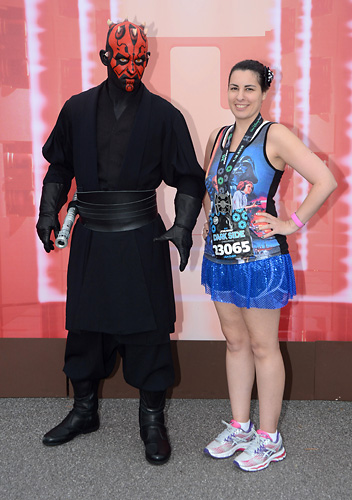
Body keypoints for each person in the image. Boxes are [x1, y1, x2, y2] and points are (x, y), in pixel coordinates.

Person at [36, 19, 205, 465]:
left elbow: (189, 177)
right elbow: (59, 168)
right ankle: (84, 410)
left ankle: (152, 421)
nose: (131, 67)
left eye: (139, 60)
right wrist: (47, 209)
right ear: (105, 58)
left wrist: (184, 225)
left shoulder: (164, 116)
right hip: (91, 235)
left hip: (140, 237)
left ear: (146, 60)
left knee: (149, 330)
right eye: (123, 58)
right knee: (86, 328)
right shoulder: (76, 109)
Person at [201, 59, 337, 472]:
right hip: (221, 258)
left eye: (249, 89)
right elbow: (209, 186)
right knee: (235, 343)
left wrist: (289, 224)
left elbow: (325, 179)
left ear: (263, 93)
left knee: (263, 346)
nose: (240, 96)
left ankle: (269, 437)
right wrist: (212, 223)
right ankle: (241, 426)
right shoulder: (217, 136)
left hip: (261, 260)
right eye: (234, 88)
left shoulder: (274, 135)